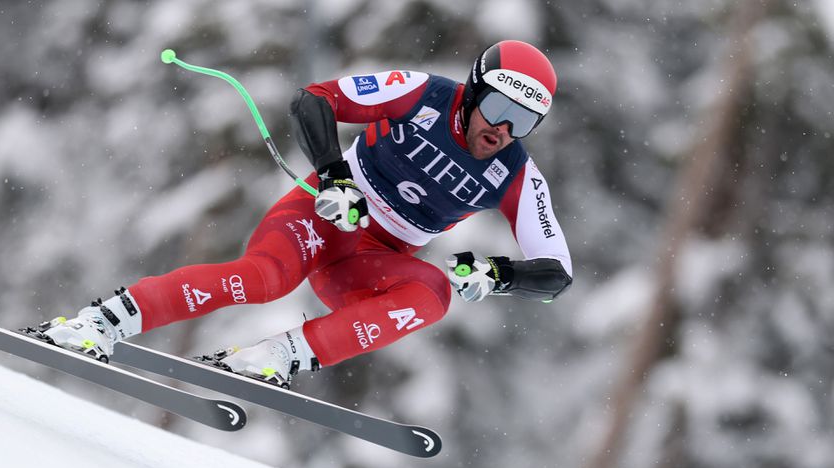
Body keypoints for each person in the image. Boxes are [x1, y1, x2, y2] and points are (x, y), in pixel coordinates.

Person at [34, 40, 573, 388]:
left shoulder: (516, 174)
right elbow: (313, 100)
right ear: (473, 91)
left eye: (523, 121)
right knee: (263, 279)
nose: (501, 130)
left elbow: (557, 272)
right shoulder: (423, 93)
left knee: (432, 294)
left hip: (370, 260)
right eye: (500, 108)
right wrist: (335, 175)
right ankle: (100, 323)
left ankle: (276, 358)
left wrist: (499, 275)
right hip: (326, 217)